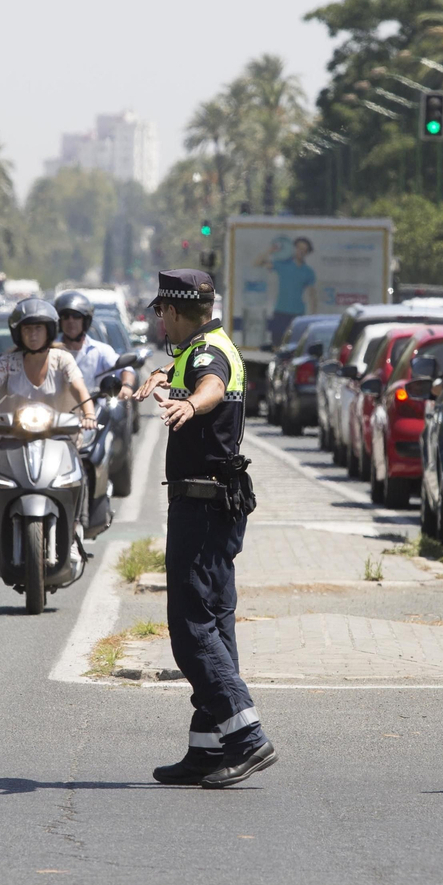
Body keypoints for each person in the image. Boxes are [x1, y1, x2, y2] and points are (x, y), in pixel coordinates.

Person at [134, 268, 275, 788]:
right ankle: (209, 747)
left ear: (173, 312)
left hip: (201, 506)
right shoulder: (210, 346)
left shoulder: (208, 357)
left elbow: (211, 385)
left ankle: (247, 737)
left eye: (160, 314)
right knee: (216, 623)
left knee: (192, 630)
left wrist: (190, 402)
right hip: (218, 506)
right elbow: (198, 374)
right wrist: (163, 381)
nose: (159, 324)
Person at [0, 298, 95, 431]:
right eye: (27, 329)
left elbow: (80, 389)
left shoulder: (63, 359)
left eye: (38, 328)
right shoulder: (6, 363)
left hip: (59, 439)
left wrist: (89, 415)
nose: (33, 334)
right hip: (11, 440)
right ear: (19, 333)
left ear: (48, 331)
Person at [54, 291, 135, 399]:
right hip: (57, 411)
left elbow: (126, 369)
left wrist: (126, 386)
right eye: (65, 316)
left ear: (85, 320)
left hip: (96, 409)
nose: (70, 321)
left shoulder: (101, 350)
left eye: (76, 316)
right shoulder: (50, 350)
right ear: (59, 321)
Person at [258, 236, 317, 346]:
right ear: (294, 248)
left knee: (295, 344)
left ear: (307, 253)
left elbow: (312, 296)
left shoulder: (308, 272)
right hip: (281, 311)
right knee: (277, 343)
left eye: (304, 250)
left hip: (298, 314)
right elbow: (257, 263)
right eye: (299, 248)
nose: (301, 252)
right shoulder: (283, 264)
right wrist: (270, 250)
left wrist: (312, 316)